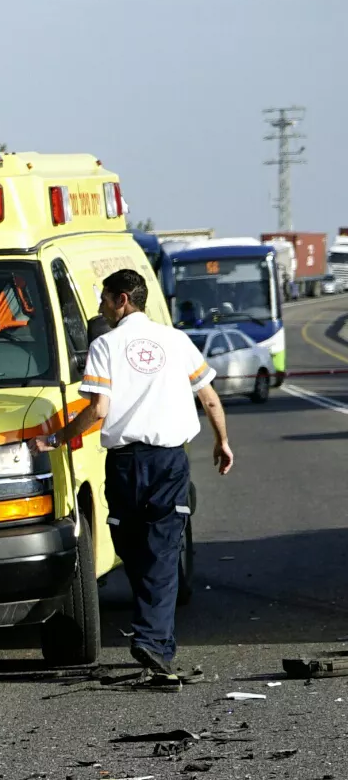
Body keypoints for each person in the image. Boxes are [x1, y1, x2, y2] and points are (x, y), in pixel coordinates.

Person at [34, 268, 232, 676]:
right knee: (155, 550)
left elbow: (98, 410)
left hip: (125, 464)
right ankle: (154, 637)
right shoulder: (176, 341)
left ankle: (152, 641)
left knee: (136, 546)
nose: (101, 307)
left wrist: (56, 438)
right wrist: (221, 442)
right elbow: (210, 399)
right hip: (168, 462)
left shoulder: (104, 346)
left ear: (123, 299)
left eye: (105, 299)